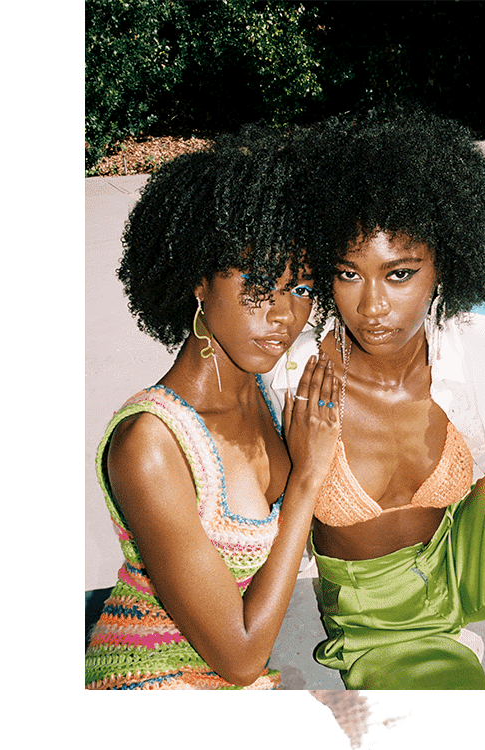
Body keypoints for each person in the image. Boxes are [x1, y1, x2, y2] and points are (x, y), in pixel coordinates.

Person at [268, 104, 485, 690]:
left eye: (399, 274)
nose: (371, 306)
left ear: (441, 268)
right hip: (383, 625)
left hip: (464, 563)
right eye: (348, 273)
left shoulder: (478, 349)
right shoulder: (293, 376)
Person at [85, 125, 342, 689]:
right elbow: (242, 656)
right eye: (257, 283)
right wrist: (305, 481)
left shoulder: (263, 398)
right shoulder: (150, 444)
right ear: (200, 279)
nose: (282, 314)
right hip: (149, 675)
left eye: (301, 288)